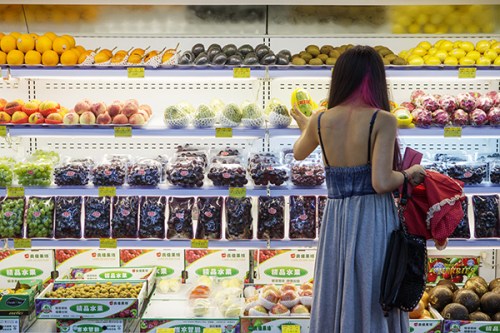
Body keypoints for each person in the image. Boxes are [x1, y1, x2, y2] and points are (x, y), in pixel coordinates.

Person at [291, 45, 426, 333]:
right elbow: (381, 182)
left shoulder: (320, 118)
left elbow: (298, 153)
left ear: (340, 77)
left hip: (336, 216)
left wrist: (306, 126)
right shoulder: (383, 119)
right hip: (372, 217)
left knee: (335, 284)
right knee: (374, 287)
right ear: (376, 78)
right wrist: (409, 174)